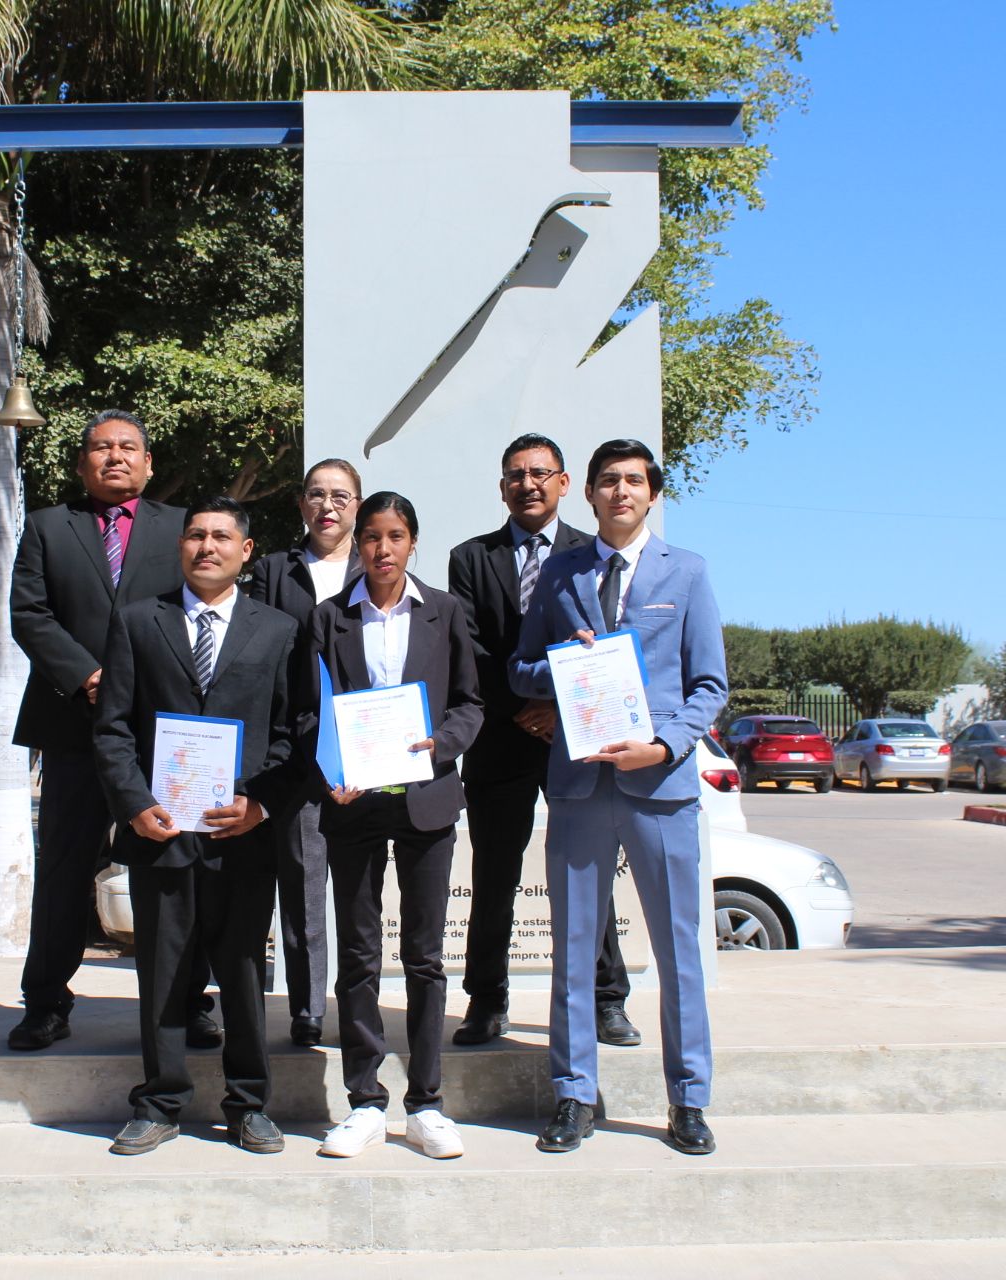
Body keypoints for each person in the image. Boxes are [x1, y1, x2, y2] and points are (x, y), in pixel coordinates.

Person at [510, 438, 727, 1157]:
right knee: (572, 950)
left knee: (678, 952)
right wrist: (562, 667)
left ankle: (688, 1100)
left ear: (651, 493)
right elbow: (520, 668)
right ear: (591, 494)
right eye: (608, 481)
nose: (621, 492)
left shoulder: (687, 572)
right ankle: (574, 1094)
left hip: (658, 783)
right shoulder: (561, 572)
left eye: (634, 481)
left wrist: (664, 746)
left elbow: (709, 688)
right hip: (578, 783)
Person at [93, 496, 301, 1156]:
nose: (206, 546)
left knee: (242, 972)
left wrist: (260, 804)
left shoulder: (279, 630)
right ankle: (158, 1101)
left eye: (221, 537)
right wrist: (133, 803)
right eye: (195, 536)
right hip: (162, 833)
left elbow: (298, 734)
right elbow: (114, 730)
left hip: (242, 835)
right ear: (180, 547)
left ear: (246, 550)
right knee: (162, 972)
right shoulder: (136, 622)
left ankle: (248, 1104)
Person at [7, 410, 215, 1051]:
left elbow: (201, 606)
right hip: (75, 728)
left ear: (149, 463)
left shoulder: (180, 528)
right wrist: (88, 675)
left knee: (177, 867)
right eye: (101, 448)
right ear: (81, 463)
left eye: (128, 448)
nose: (115, 457)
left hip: (162, 732)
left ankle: (188, 997)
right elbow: (29, 614)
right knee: (66, 869)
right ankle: (45, 1001)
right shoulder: (47, 527)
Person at [299, 492, 483, 1160]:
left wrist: (442, 744)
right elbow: (307, 713)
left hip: (425, 801)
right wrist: (330, 770)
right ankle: (364, 1100)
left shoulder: (445, 612)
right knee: (357, 955)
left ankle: (427, 1102)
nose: (381, 549)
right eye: (371, 537)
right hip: (353, 803)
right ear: (358, 545)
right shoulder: (327, 619)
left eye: (395, 536)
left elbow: (470, 701)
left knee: (426, 957)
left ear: (413, 543)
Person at [446, 434, 641, 1049]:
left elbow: (608, 641)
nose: (527, 484)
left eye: (540, 473)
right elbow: (473, 652)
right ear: (502, 486)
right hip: (501, 741)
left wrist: (557, 709)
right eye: (515, 474)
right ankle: (485, 1000)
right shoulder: (470, 557)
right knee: (495, 873)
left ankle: (607, 998)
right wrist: (524, 710)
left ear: (563, 483)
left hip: (576, 738)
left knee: (588, 874)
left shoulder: (593, 551)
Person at [246, 458, 363, 1047]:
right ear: (301, 506)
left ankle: (360, 1004)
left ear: (358, 506)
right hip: (295, 751)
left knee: (360, 888)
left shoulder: (379, 566)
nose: (328, 506)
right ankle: (307, 1007)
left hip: (365, 750)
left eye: (340, 496)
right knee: (302, 883)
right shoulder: (272, 570)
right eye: (316, 495)